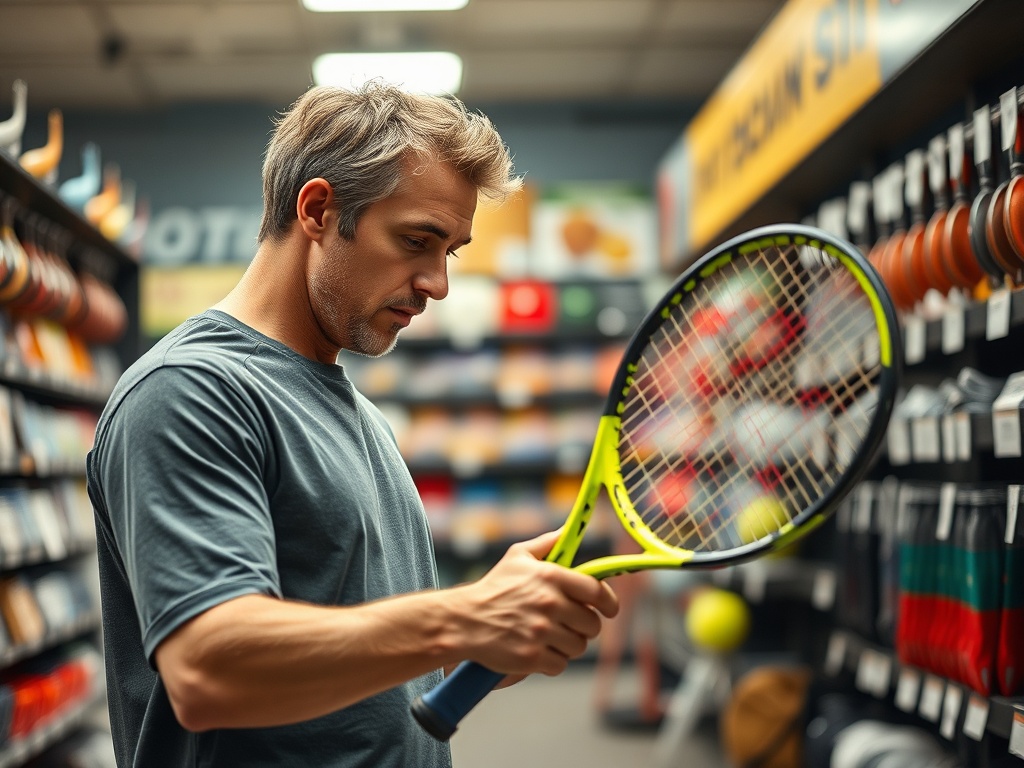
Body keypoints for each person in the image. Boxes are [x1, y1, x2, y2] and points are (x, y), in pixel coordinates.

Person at [86, 82, 619, 768]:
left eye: (450, 252)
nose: (438, 284)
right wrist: (465, 615)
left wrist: (484, 637)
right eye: (416, 241)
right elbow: (210, 669)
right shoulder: (190, 391)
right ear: (317, 210)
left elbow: (359, 656)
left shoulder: (359, 413)